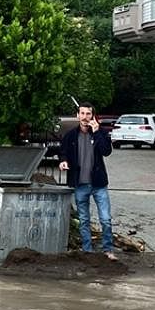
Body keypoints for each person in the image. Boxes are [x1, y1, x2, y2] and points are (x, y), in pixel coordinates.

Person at [58, 102, 116, 260]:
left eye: (88, 114)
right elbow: (62, 152)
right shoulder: (70, 135)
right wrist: (63, 161)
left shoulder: (101, 133)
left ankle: (108, 250)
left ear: (93, 116)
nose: (85, 117)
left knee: (105, 219)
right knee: (84, 219)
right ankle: (87, 251)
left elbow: (106, 151)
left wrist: (97, 132)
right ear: (77, 116)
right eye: (82, 113)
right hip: (80, 184)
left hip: (99, 184)